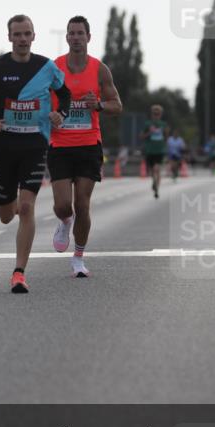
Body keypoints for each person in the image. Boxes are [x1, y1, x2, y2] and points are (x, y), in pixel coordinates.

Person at [0, 15, 71, 294]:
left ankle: (19, 272)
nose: (22, 39)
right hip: (4, 148)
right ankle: (8, 203)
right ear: (10, 37)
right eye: (17, 34)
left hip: (35, 146)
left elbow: (67, 96)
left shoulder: (46, 67)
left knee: (26, 208)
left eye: (27, 34)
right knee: (6, 215)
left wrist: (59, 114)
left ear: (34, 37)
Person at [49, 16, 122, 277]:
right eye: (72, 33)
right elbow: (40, 100)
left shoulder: (100, 69)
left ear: (89, 37)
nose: (76, 37)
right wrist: (52, 114)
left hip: (89, 143)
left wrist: (99, 105)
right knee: (62, 206)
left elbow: (117, 105)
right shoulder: (54, 68)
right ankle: (64, 222)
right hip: (59, 144)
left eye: (81, 33)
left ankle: (78, 258)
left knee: (82, 204)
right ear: (67, 38)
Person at [141, 105, 169, 198]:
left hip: (160, 150)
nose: (156, 115)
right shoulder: (147, 124)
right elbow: (141, 136)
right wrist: (150, 132)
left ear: (161, 114)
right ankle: (154, 182)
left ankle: (157, 189)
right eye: (154, 114)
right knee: (152, 171)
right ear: (152, 114)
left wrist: (165, 143)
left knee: (157, 169)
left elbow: (166, 137)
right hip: (150, 150)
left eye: (158, 114)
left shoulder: (164, 124)